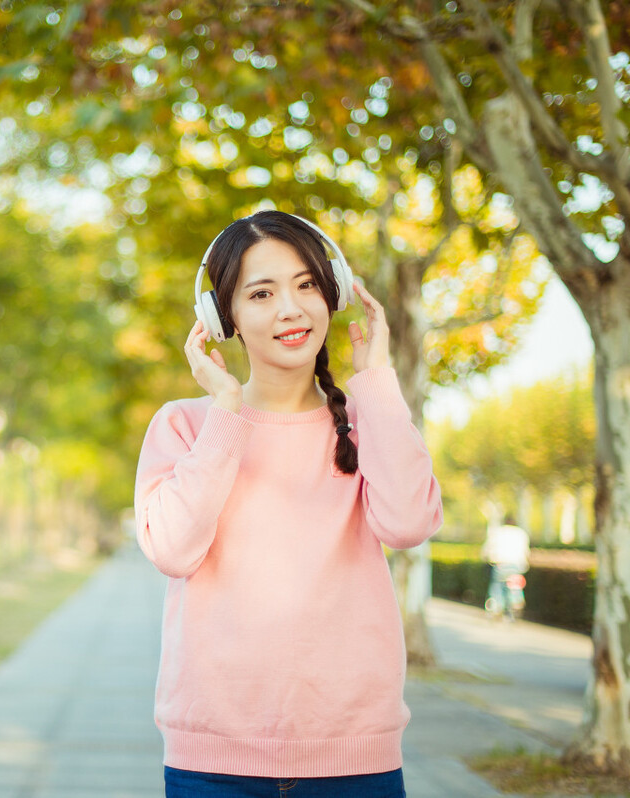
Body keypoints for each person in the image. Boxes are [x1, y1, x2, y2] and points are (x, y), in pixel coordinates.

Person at [134, 210, 443, 797]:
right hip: (212, 763)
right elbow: (172, 551)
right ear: (221, 317)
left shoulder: (366, 419)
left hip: (356, 759)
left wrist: (374, 378)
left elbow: (407, 524)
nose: (291, 309)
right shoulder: (185, 424)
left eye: (306, 284)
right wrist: (226, 410)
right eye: (262, 293)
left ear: (335, 292)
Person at [481, 514, 530, 620]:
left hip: (501, 563)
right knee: (514, 584)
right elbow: (526, 551)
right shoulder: (521, 533)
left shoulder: (498, 532)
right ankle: (516, 602)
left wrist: (486, 558)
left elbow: (487, 548)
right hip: (517, 565)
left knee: (498, 585)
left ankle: (496, 607)